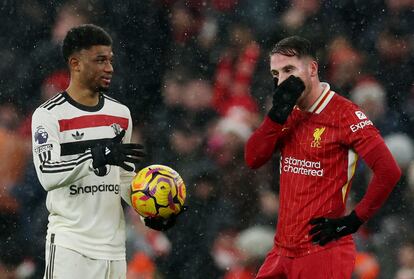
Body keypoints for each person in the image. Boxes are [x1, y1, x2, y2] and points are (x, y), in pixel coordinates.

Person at [244, 36, 401, 278]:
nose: (282, 81)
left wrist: (353, 221)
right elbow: (253, 158)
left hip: (323, 252)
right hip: (282, 252)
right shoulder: (286, 113)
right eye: (276, 75)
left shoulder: (345, 115)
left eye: (289, 70)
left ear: (312, 68)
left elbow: (389, 171)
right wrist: (275, 115)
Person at [31, 24, 176, 279]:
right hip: (71, 247)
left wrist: (151, 214)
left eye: (110, 60)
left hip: (114, 250)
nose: (109, 68)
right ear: (75, 63)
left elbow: (123, 179)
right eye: (100, 60)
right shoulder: (49, 115)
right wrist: (93, 157)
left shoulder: (120, 115)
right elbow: (47, 175)